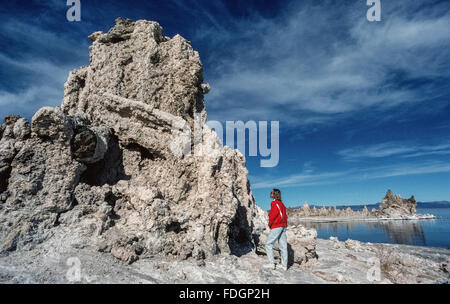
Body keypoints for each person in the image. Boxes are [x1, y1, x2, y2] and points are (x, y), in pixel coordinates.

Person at [263, 188, 288, 271]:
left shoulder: (274, 203)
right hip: (283, 226)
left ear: (274, 194)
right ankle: (284, 266)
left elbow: (272, 215)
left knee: (268, 244)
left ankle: (271, 264)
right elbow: (285, 216)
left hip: (277, 226)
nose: (270, 193)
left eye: (271, 192)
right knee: (283, 246)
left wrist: (270, 225)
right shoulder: (282, 204)